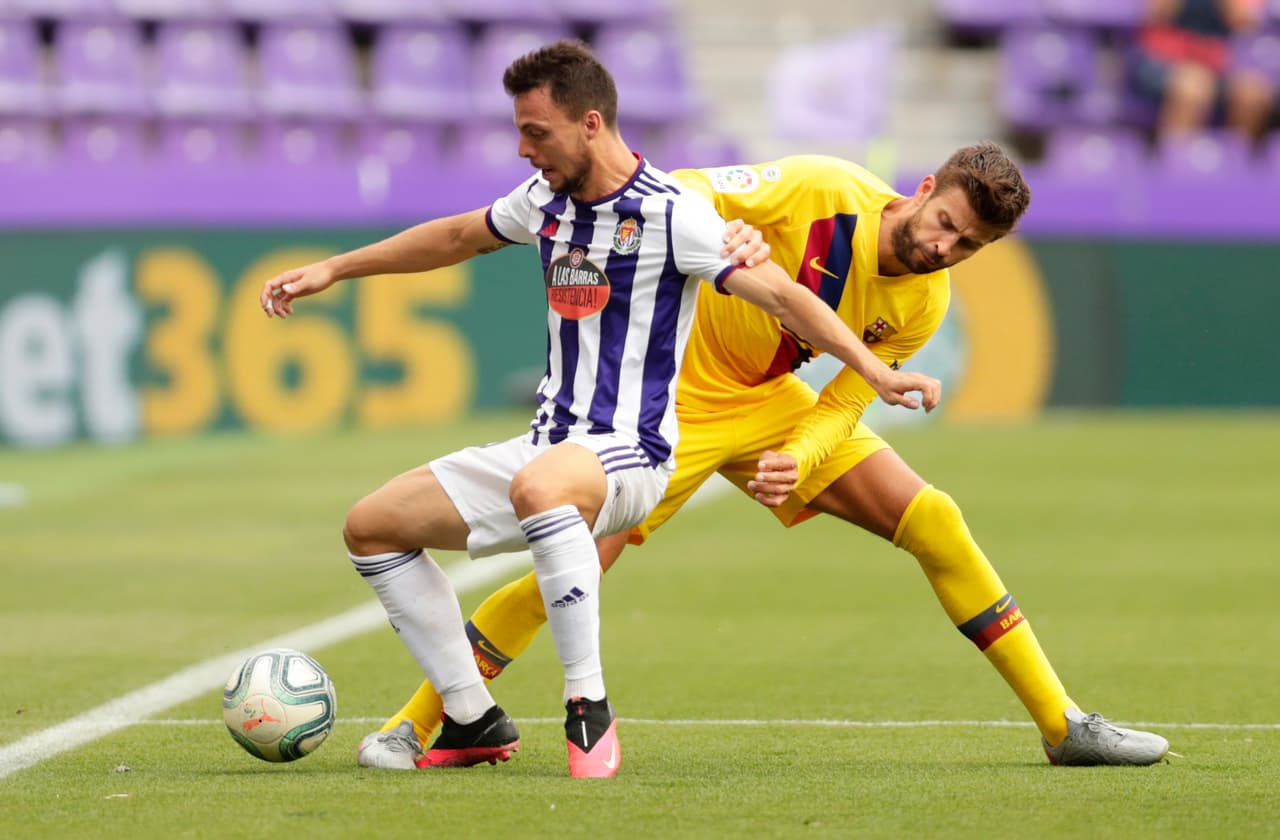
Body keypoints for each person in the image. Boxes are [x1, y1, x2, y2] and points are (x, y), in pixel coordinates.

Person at [357, 145, 1173, 771]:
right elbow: (677, 190)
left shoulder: (925, 301)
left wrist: (801, 457)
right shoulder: (824, 187)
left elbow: (847, 397)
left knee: (934, 519)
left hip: (769, 404)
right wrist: (727, 225)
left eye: (970, 245)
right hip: (671, 401)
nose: (947, 247)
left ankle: (1064, 726)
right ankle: (424, 722)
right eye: (948, 224)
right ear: (923, 190)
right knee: (574, 562)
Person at [259, 41, 938, 779]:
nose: (523, 150)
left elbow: (782, 295)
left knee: (542, 487)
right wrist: (335, 267)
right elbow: (457, 236)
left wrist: (872, 369)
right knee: (373, 528)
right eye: (519, 132)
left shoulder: (675, 214)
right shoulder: (545, 202)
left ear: (589, 123)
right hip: (548, 445)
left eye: (536, 132)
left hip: (633, 451)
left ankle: (588, 708)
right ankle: (470, 717)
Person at [1131, 0, 1275, 144]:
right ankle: (1177, 161)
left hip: (1215, 63)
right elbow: (1157, 14)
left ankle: (1234, 162)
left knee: (1252, 94)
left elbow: (1243, 22)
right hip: (1162, 58)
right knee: (1193, 88)